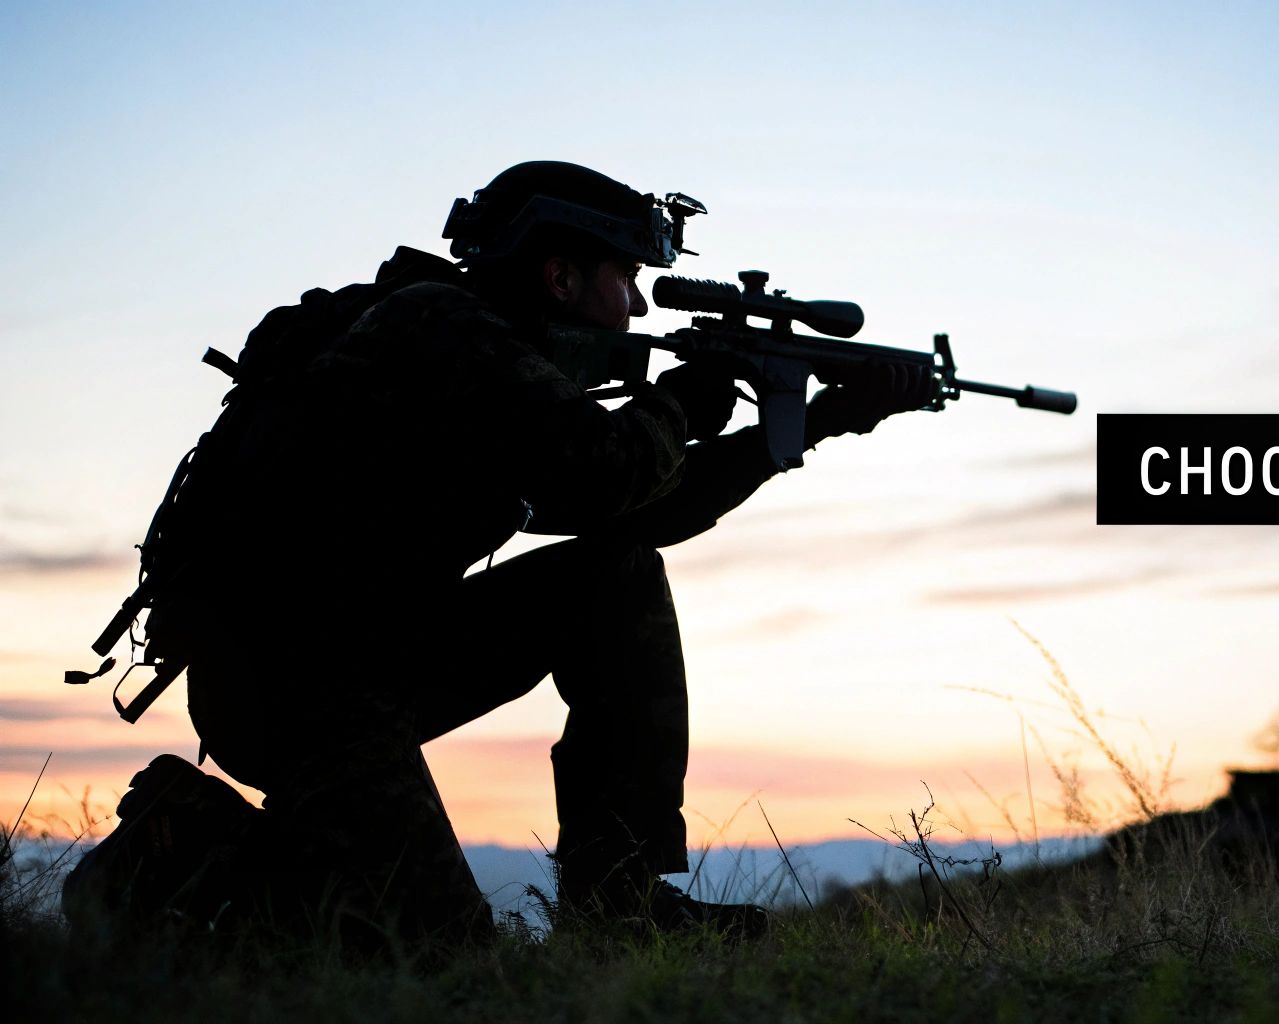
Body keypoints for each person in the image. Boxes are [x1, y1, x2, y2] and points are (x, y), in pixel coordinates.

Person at [164, 160, 931, 944]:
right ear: (560, 276)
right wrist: (679, 402)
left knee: (615, 576)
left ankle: (617, 906)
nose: (637, 304)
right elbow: (607, 468)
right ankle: (182, 861)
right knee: (445, 958)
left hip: (372, 657)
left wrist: (814, 425)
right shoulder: (438, 326)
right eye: (627, 277)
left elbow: (640, 511)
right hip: (297, 690)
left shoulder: (490, 358)